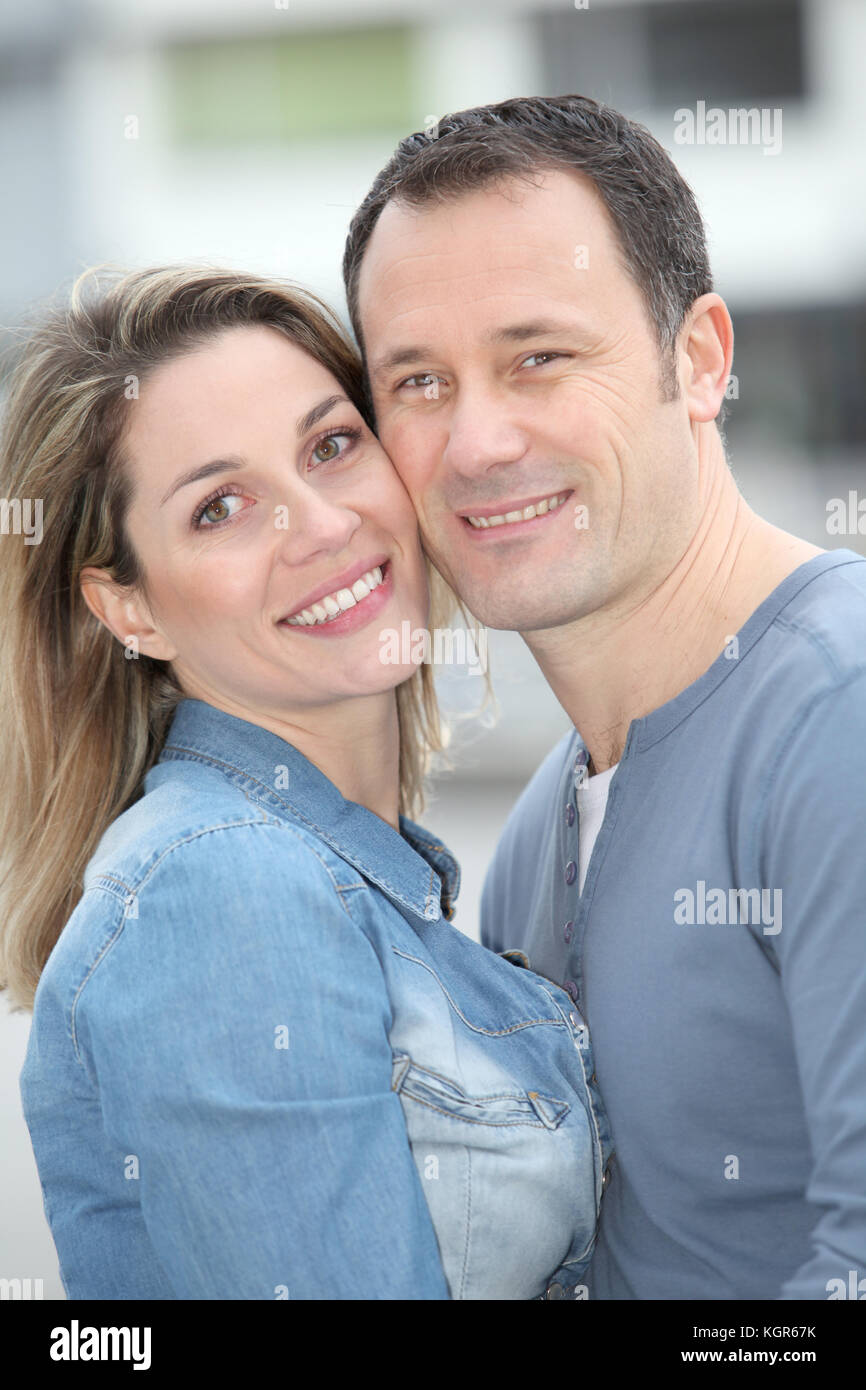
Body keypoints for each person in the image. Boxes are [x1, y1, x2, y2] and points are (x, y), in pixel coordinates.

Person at [342, 92, 866, 1300]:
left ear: (697, 360)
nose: (476, 442)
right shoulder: (537, 835)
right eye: (417, 382)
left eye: (538, 357)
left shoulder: (835, 720)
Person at [3, 265, 611, 1300]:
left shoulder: (343, 874)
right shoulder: (222, 889)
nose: (321, 526)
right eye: (221, 506)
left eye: (330, 445)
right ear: (127, 609)